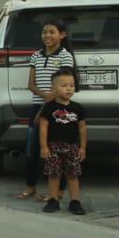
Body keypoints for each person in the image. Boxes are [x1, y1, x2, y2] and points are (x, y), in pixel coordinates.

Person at [17, 20, 75, 201]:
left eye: (52, 32)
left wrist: (44, 109)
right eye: (44, 32)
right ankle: (30, 187)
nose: (47, 36)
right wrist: (43, 98)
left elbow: (63, 85)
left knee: (58, 152)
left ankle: (57, 192)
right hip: (37, 106)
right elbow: (31, 84)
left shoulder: (65, 56)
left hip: (57, 110)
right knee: (31, 150)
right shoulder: (36, 56)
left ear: (62, 35)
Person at [37, 69, 88, 215]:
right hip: (53, 146)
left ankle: (75, 202)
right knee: (54, 174)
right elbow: (43, 128)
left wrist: (83, 148)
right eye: (64, 85)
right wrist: (43, 146)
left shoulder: (77, 108)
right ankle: (53, 200)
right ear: (53, 88)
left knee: (73, 174)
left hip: (72, 146)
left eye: (71, 85)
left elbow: (83, 129)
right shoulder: (49, 107)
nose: (68, 88)